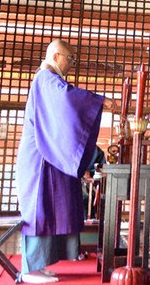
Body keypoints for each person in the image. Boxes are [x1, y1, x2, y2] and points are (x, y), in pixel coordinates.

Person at [16, 39, 115, 284]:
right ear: (56, 55)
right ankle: (30, 268)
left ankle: (41, 264)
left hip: (46, 154)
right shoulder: (46, 79)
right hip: (39, 157)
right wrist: (99, 101)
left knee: (50, 208)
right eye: (70, 59)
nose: (72, 64)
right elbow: (68, 99)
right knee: (40, 210)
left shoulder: (49, 79)